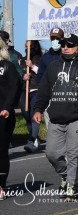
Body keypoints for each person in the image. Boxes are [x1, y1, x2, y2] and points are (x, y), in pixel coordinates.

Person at [33, 34, 78, 202]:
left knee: (73, 154)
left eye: (69, 45)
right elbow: (43, 91)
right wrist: (38, 109)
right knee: (51, 153)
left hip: (77, 118)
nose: (65, 47)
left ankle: (71, 186)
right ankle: (65, 174)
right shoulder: (52, 67)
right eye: (63, 44)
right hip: (56, 119)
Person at [0, 38, 20, 201]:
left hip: (3, 116)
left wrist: (7, 107)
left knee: (0, 151)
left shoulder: (9, 67)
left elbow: (14, 88)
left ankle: (1, 185)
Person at [21, 40, 43, 153]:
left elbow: (43, 73)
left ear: (35, 46)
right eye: (26, 46)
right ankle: (33, 136)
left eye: (30, 46)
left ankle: (32, 139)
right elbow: (18, 74)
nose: (27, 48)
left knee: (34, 114)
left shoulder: (40, 59)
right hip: (25, 91)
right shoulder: (22, 60)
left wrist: (32, 66)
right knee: (26, 114)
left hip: (36, 90)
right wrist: (23, 77)